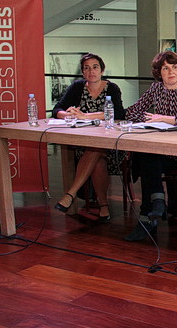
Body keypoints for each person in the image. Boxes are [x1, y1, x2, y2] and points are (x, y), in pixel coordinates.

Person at [123, 51, 177, 242]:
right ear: (159, 72)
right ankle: (157, 202)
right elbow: (132, 111)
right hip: (161, 151)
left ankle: (150, 215)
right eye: (165, 68)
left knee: (147, 159)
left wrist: (162, 118)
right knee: (147, 154)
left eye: (174, 67)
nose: (171, 72)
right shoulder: (156, 88)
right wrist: (148, 118)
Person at [53, 53, 126, 222]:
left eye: (95, 67)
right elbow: (57, 109)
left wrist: (85, 116)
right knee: (95, 154)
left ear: (102, 70)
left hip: (112, 146)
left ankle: (70, 194)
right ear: (83, 72)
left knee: (96, 149)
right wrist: (69, 116)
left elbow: (119, 113)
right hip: (85, 145)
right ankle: (103, 206)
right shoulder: (77, 87)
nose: (91, 71)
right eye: (86, 68)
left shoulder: (112, 88)